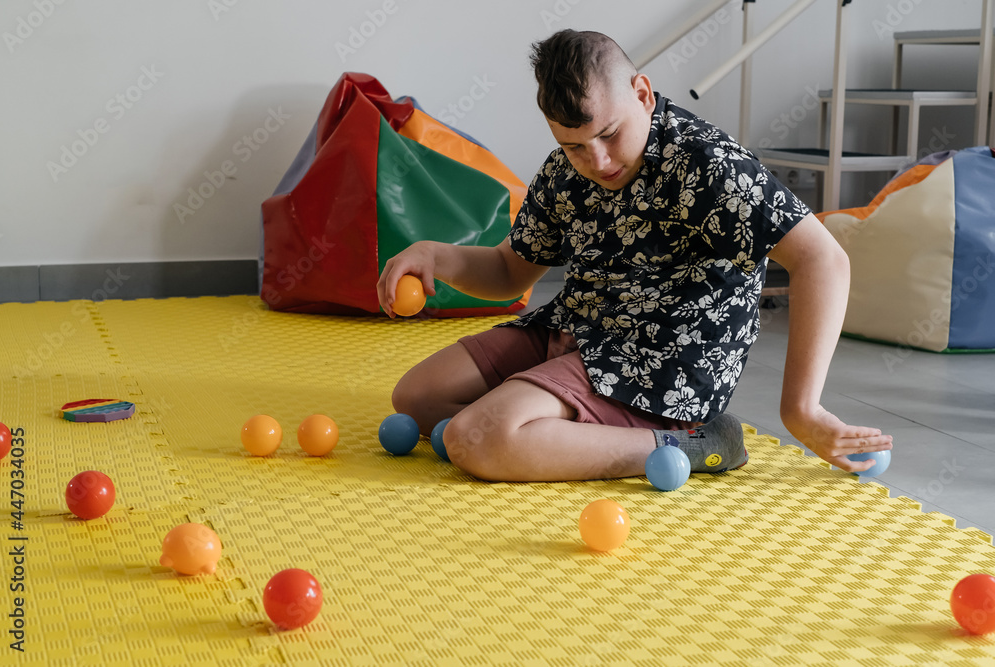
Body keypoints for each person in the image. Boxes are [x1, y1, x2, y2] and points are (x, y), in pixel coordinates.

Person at [376, 29, 892, 482]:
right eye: (574, 145)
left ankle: (695, 442)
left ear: (641, 93)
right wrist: (434, 256)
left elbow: (824, 259)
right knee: (417, 397)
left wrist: (801, 409)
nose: (596, 160)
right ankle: (549, 423)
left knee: (475, 439)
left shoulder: (709, 165)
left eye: (607, 133)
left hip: (663, 363)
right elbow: (510, 271)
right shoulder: (565, 171)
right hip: (580, 329)